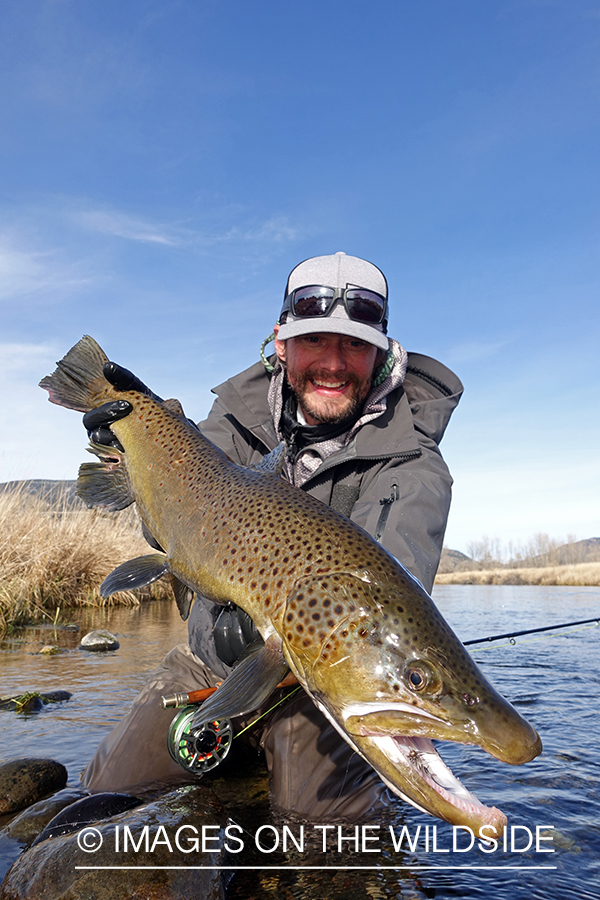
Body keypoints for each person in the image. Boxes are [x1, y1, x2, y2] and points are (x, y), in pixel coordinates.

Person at [81, 251, 463, 820]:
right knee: (100, 802)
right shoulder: (228, 421)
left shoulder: (414, 464)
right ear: (281, 345)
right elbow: (171, 530)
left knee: (325, 841)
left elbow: (388, 597)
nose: (334, 363)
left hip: (322, 681)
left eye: (355, 345)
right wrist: (133, 445)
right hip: (207, 667)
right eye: (315, 342)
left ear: (381, 355)